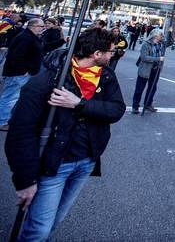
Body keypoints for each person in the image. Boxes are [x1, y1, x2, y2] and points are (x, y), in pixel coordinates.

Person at [5, 28, 126, 240]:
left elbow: (116, 109)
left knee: (53, 223)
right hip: (55, 164)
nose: (112, 55)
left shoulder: (105, 75)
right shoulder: (50, 78)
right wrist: (25, 180)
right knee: (38, 229)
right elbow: (20, 131)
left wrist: (79, 104)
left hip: (86, 160)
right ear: (96, 54)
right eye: (110, 51)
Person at [0, 18, 45, 131]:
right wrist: (24, 70)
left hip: (19, 73)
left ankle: (5, 119)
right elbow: (16, 56)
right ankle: (2, 121)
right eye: (41, 26)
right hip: (18, 74)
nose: (43, 28)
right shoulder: (26, 37)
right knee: (10, 98)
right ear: (33, 26)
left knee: (12, 97)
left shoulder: (28, 36)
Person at [132, 29, 165, 114]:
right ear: (155, 36)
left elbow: (170, 41)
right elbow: (144, 57)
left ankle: (148, 104)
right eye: (161, 35)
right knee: (139, 89)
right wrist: (158, 59)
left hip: (155, 69)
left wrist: (169, 31)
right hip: (145, 69)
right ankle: (135, 106)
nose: (162, 37)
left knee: (152, 88)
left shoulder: (161, 45)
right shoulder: (146, 45)